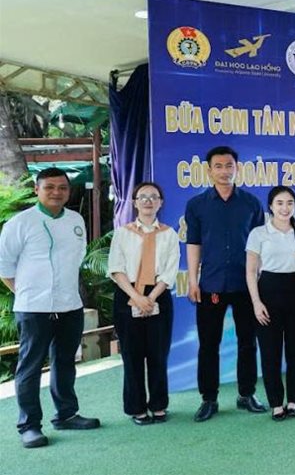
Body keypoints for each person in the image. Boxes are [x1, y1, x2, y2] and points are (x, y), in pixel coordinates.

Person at [0, 168, 99, 448]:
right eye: (50, 187)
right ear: (37, 190)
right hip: (34, 308)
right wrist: (26, 293)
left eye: (62, 188)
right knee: (30, 367)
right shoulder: (20, 223)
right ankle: (29, 426)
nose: (57, 192)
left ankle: (66, 414)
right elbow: (4, 267)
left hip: (70, 305)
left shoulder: (76, 220)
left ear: (68, 191)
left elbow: (78, 258)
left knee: (65, 362)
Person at [183, 146, 267, 422]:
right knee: (209, 344)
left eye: (229, 165)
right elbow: (193, 244)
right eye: (218, 166)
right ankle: (209, 399)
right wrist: (193, 280)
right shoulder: (197, 205)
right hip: (211, 284)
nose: (224, 171)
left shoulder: (251, 203)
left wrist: (259, 280)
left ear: (236, 168)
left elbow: (259, 245)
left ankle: (246, 394)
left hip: (246, 284)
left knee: (248, 342)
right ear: (209, 171)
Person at [107, 181, 180, 425]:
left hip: (158, 294)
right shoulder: (122, 233)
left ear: (161, 203)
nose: (148, 201)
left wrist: (151, 297)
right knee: (132, 356)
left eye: (153, 197)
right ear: (135, 203)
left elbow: (170, 272)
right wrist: (137, 297)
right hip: (127, 293)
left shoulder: (169, 234)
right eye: (143, 197)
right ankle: (136, 408)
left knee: (158, 354)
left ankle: (159, 405)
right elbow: (116, 269)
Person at [245, 186, 295, 421]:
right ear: (270, 206)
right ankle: (276, 404)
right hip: (268, 295)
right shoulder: (259, 233)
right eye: (279, 203)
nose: (285, 208)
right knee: (270, 353)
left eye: (289, 203)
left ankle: (293, 401)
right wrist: (256, 302)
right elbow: (251, 271)